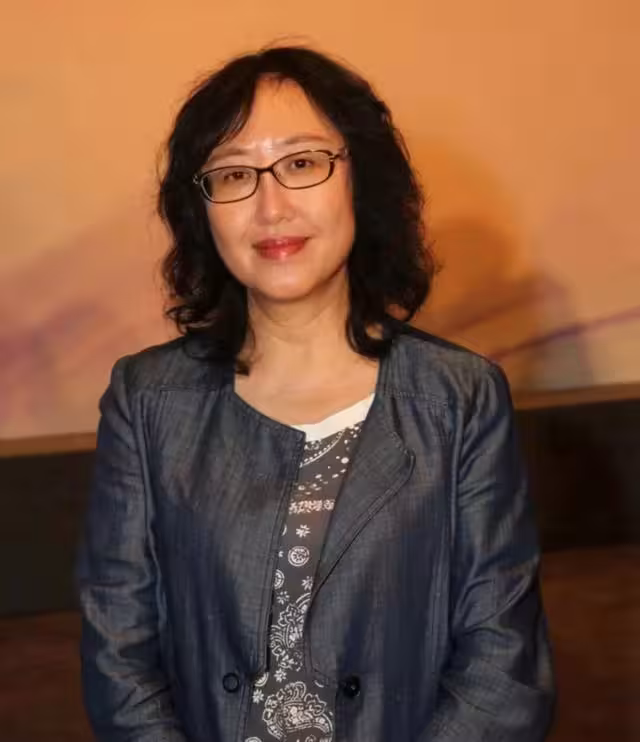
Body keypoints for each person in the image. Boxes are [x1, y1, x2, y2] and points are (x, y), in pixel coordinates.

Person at [77, 45, 555, 742]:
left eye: (302, 164)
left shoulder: (459, 398)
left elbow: (503, 668)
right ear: (201, 210)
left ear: (361, 180)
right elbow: (117, 650)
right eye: (234, 174)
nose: (271, 207)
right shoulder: (147, 400)